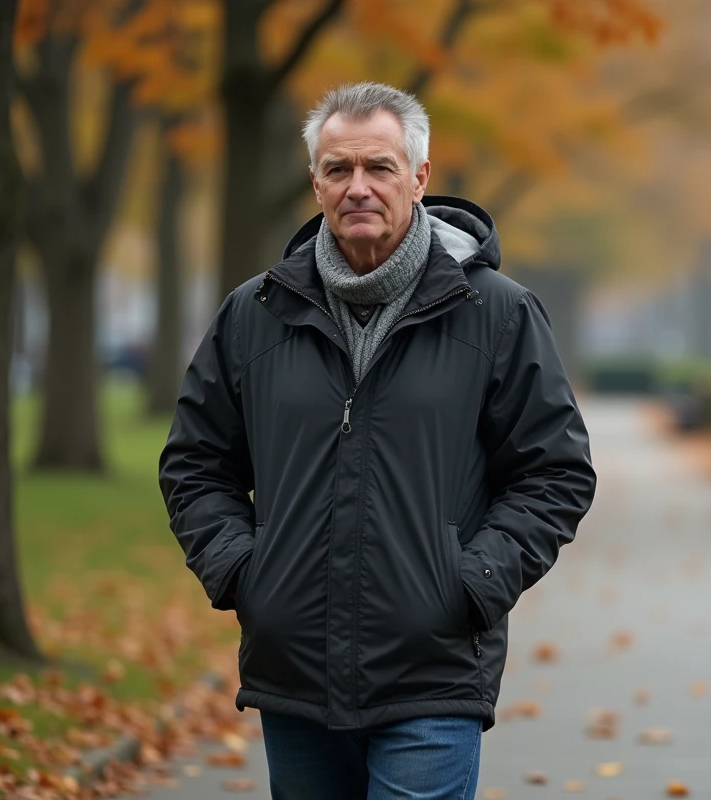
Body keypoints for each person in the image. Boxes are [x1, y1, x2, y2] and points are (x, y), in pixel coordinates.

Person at [157, 81, 596, 799]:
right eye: (338, 170)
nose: (357, 187)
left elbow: (557, 473)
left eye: (379, 168)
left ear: (419, 177)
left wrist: (474, 580)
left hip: (433, 670)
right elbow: (195, 463)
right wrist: (244, 573)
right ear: (316, 181)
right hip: (294, 672)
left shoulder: (498, 314)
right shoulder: (254, 313)